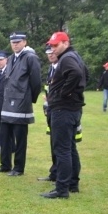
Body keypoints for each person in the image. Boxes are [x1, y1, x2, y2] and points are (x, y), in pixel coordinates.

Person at [41, 31, 86, 199]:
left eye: (56, 45)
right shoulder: (75, 56)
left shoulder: (67, 58)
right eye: (51, 45)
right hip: (72, 108)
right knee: (70, 148)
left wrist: (62, 94)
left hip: (63, 110)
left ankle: (62, 189)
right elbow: (85, 74)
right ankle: (73, 183)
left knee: (62, 150)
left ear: (65, 43)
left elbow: (76, 74)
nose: (53, 48)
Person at [0, 31, 42, 176]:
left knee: (20, 139)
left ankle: (18, 168)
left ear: (24, 42)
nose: (15, 45)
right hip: (7, 103)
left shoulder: (30, 58)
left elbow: (36, 82)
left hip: (21, 103)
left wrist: (29, 98)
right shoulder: (10, 58)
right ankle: (5, 165)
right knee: (4, 136)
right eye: (12, 42)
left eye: (18, 42)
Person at [38, 44, 59, 183]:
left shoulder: (62, 67)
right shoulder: (52, 68)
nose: (50, 55)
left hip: (60, 110)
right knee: (54, 143)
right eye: (48, 53)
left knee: (62, 146)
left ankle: (63, 177)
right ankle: (54, 173)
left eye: (52, 52)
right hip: (51, 109)